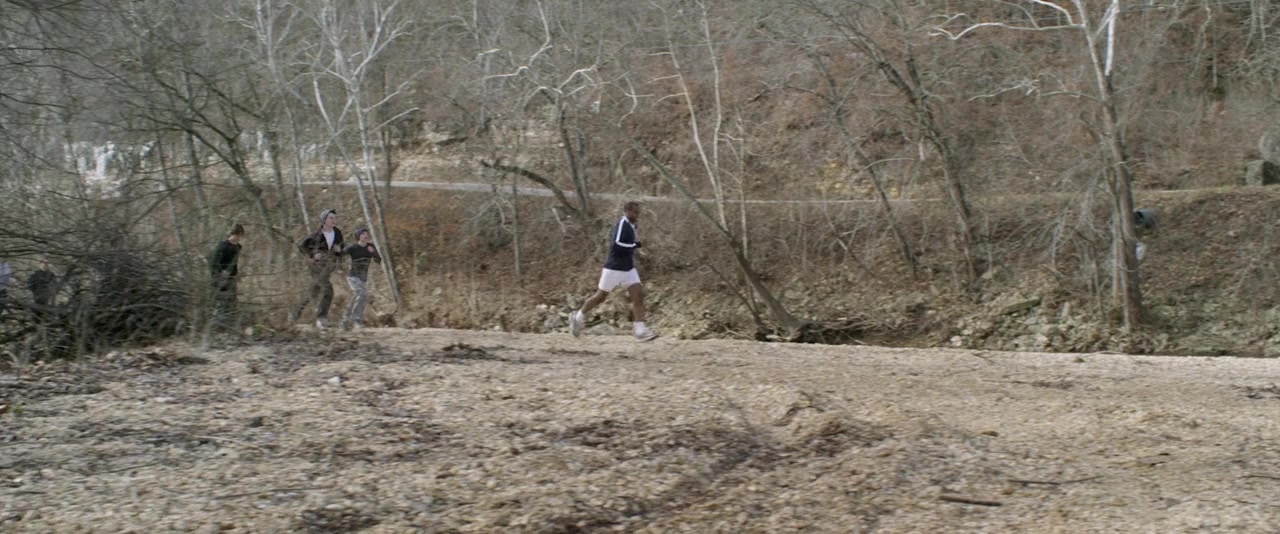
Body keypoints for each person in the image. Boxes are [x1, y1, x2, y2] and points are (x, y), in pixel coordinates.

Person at [570, 201, 658, 341]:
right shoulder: (622, 224)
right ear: (627, 211)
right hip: (614, 268)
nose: (638, 215)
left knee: (638, 295)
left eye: (638, 212)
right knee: (601, 297)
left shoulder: (633, 225)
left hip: (628, 269)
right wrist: (635, 245)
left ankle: (640, 330)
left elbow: (629, 244)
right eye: (635, 212)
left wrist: (637, 246)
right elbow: (616, 244)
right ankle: (578, 317)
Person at [294, 208, 344, 329]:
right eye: (331, 218)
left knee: (313, 292)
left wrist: (339, 251)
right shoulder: (316, 235)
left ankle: (294, 315)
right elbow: (301, 246)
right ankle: (321, 318)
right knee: (328, 290)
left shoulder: (337, 233)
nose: (333, 220)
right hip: (317, 268)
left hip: (328, 268)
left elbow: (341, 249)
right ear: (324, 220)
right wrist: (313, 254)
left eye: (334, 218)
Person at [342, 227, 382, 330]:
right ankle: (356, 320)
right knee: (361, 293)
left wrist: (373, 252)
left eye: (366, 233)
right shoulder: (353, 247)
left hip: (363, 279)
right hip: (353, 277)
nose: (366, 235)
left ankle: (346, 318)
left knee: (362, 297)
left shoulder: (370, 247)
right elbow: (340, 254)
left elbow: (378, 260)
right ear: (358, 237)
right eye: (363, 233)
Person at [209, 224, 245, 328]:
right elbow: (213, 263)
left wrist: (237, 274)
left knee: (231, 302)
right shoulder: (222, 246)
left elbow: (234, 264)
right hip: (220, 279)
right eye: (238, 235)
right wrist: (221, 273)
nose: (239, 237)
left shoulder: (238, 247)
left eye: (240, 235)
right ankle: (216, 325)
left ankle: (229, 325)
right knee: (220, 303)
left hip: (232, 278)